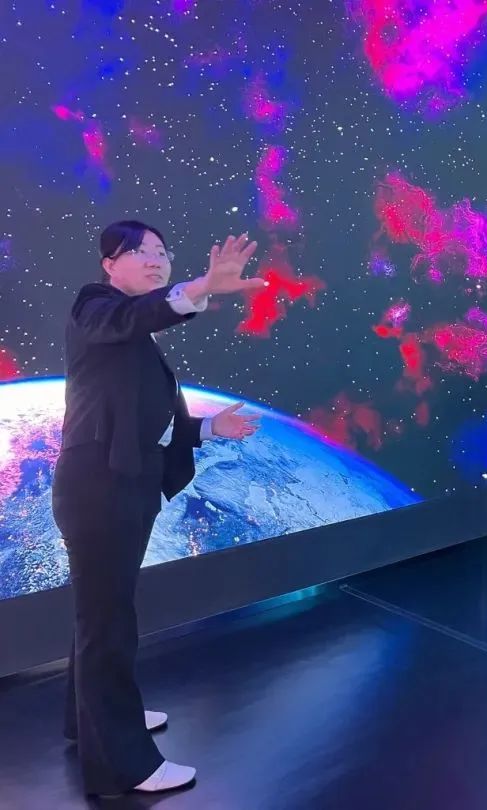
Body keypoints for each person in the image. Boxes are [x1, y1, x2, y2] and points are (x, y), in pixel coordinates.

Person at [53, 221, 265, 796]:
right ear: (109, 264)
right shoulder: (95, 308)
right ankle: (122, 763)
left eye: (163, 252)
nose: (156, 259)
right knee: (107, 624)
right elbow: (132, 316)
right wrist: (202, 286)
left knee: (100, 614)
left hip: (117, 489)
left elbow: (146, 422)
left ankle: (87, 720)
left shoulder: (131, 338)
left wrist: (210, 429)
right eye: (141, 251)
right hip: (100, 492)